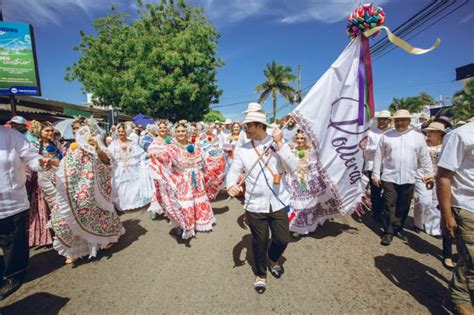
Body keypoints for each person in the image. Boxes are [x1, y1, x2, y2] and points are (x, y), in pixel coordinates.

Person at [227, 104, 297, 294]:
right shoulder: (243, 150)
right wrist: (231, 184)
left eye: (247, 126)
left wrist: (281, 145)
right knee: (260, 241)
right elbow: (234, 171)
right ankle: (260, 273)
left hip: (278, 200)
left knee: (282, 239)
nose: (244, 130)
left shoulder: (277, 143)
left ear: (259, 125)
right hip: (254, 204)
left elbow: (293, 167)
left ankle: (273, 258)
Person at [49, 118, 124, 264]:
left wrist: (96, 149)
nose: (77, 131)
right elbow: (65, 166)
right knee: (64, 216)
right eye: (75, 128)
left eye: (80, 128)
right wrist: (52, 164)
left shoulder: (97, 144)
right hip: (74, 189)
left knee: (94, 214)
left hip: (94, 190)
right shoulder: (72, 147)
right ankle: (74, 250)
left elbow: (108, 162)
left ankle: (102, 241)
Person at [0, 125, 48, 300]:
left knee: (12, 241)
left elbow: (33, 158)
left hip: (11, 201)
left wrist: (42, 162)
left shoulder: (12, 136)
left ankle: (13, 276)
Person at [372, 110, 433, 246]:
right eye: (398, 120)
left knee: (403, 205)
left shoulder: (418, 137)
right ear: (394, 121)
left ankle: (397, 228)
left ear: (409, 121)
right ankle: (388, 232)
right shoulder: (386, 136)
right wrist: (376, 174)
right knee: (389, 204)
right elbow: (378, 156)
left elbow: (424, 157)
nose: (400, 123)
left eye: (403, 120)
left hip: (409, 177)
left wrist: (429, 174)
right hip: (389, 176)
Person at [155, 121, 217, 239]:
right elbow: (165, 158)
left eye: (183, 131)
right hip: (182, 179)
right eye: (178, 131)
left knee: (198, 201)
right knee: (184, 203)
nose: (180, 133)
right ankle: (183, 226)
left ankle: (199, 223)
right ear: (174, 133)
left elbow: (203, 159)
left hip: (196, 179)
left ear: (187, 132)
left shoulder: (193, 145)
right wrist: (157, 157)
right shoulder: (171, 147)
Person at [437, 121, 474, 314]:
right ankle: (458, 298)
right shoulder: (461, 135)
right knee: (471, 258)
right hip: (467, 207)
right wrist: (446, 214)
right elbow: (443, 176)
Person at [28, 122, 63, 247]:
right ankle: (47, 234)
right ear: (40, 132)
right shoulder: (35, 145)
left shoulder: (57, 144)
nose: (50, 133)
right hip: (43, 179)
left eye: (51, 131)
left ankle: (62, 230)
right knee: (45, 205)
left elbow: (62, 157)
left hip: (57, 176)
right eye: (46, 131)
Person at [107, 122, 153, 211]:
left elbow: (141, 154)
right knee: (121, 186)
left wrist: (148, 156)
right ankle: (122, 204)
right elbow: (109, 155)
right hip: (120, 168)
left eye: (122, 131)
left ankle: (133, 202)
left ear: (126, 132)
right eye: (119, 131)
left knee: (133, 185)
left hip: (132, 167)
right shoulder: (114, 144)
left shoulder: (132, 142)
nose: (121, 133)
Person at [364, 110, 391, 222]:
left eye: (384, 119)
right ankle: (376, 212)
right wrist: (379, 149)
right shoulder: (370, 133)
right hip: (373, 165)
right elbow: (365, 148)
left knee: (388, 192)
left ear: (389, 121)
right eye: (380, 119)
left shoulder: (391, 133)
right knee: (375, 191)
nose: (382, 121)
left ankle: (383, 210)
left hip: (388, 167)